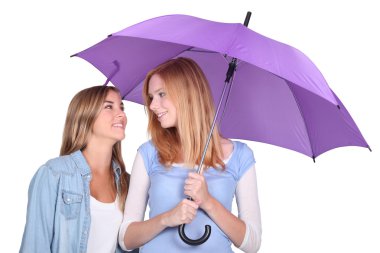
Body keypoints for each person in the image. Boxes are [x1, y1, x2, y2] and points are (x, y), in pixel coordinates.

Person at [119, 58, 262, 253]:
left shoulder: (240, 156)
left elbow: (252, 244)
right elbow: (126, 239)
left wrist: (208, 201)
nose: (152, 105)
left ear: (187, 95)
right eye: (151, 97)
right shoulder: (148, 153)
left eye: (161, 94)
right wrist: (167, 219)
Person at [20, 85, 137, 253]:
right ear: (86, 115)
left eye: (121, 107)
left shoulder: (128, 183)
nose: (122, 114)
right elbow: (35, 246)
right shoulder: (54, 174)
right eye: (109, 106)